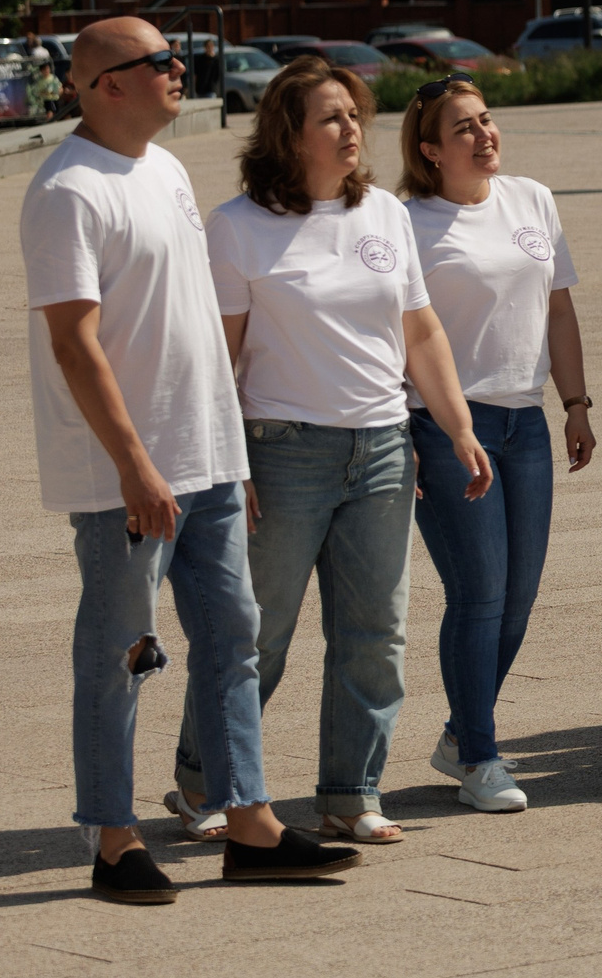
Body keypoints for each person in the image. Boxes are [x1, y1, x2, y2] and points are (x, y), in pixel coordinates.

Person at [25, 19, 357, 902]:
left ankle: (249, 823)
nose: (182, 70)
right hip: (124, 475)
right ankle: (113, 837)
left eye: (178, 57)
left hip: (206, 460)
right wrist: (134, 463)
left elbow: (197, 329)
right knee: (122, 653)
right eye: (161, 63)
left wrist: (230, 450)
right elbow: (75, 342)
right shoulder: (68, 189)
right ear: (105, 86)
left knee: (232, 638)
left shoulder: (165, 170)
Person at [181, 58, 495, 846]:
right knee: (258, 634)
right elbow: (217, 360)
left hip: (383, 448)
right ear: (289, 132)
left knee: (375, 634)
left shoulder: (384, 213)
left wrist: (457, 428)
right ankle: (206, 785)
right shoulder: (238, 226)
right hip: (281, 452)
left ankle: (349, 794)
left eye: (355, 115)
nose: (351, 129)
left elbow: (419, 330)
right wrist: (231, 464)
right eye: (331, 116)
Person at [397, 76, 594, 812]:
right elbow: (394, 332)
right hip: (447, 425)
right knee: (478, 593)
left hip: (526, 422)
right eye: (463, 129)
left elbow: (558, 307)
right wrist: (402, 429)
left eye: (487, 120)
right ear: (429, 149)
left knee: (517, 597)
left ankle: (459, 732)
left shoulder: (531, 199)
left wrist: (575, 402)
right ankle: (480, 756)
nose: (484, 136)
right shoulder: (406, 220)